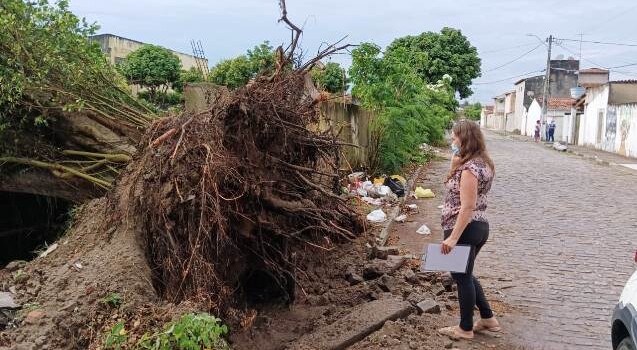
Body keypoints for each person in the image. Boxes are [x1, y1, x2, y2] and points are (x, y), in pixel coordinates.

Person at [438, 120, 500, 340]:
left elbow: (467, 207)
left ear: (465, 139)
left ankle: (464, 329)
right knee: (465, 273)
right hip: (479, 227)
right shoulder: (483, 163)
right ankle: (488, 318)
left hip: (464, 227)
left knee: (461, 277)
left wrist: (453, 238)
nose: (452, 140)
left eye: (455, 136)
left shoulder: (470, 169)